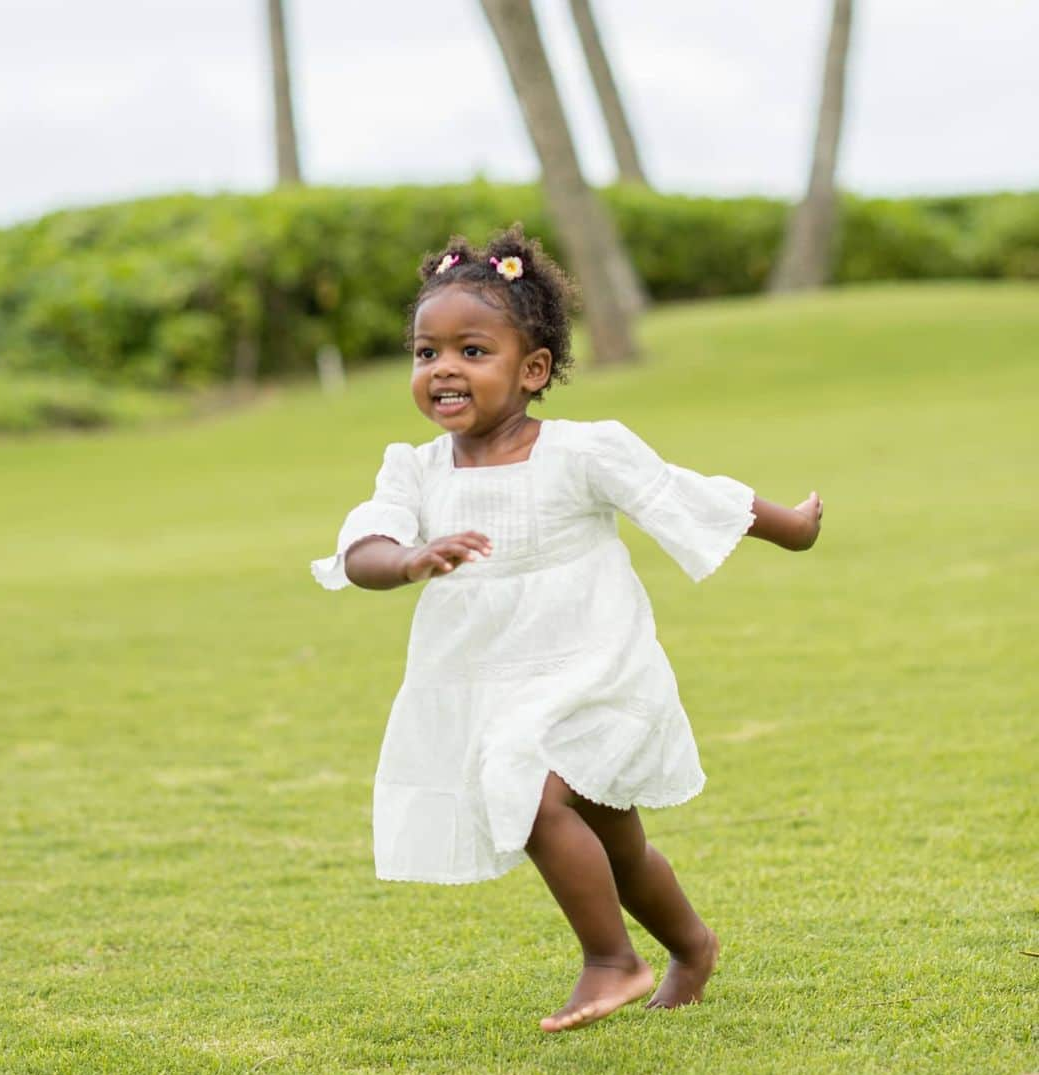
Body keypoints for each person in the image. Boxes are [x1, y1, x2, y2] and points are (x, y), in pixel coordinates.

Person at [312, 225, 823, 1033]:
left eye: (472, 349)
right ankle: (692, 945)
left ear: (534, 368)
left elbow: (681, 492)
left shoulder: (582, 453)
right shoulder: (412, 470)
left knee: (531, 782)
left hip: (593, 662)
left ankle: (612, 959)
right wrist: (408, 557)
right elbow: (359, 547)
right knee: (616, 847)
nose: (443, 367)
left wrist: (790, 525)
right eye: (425, 352)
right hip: (491, 674)